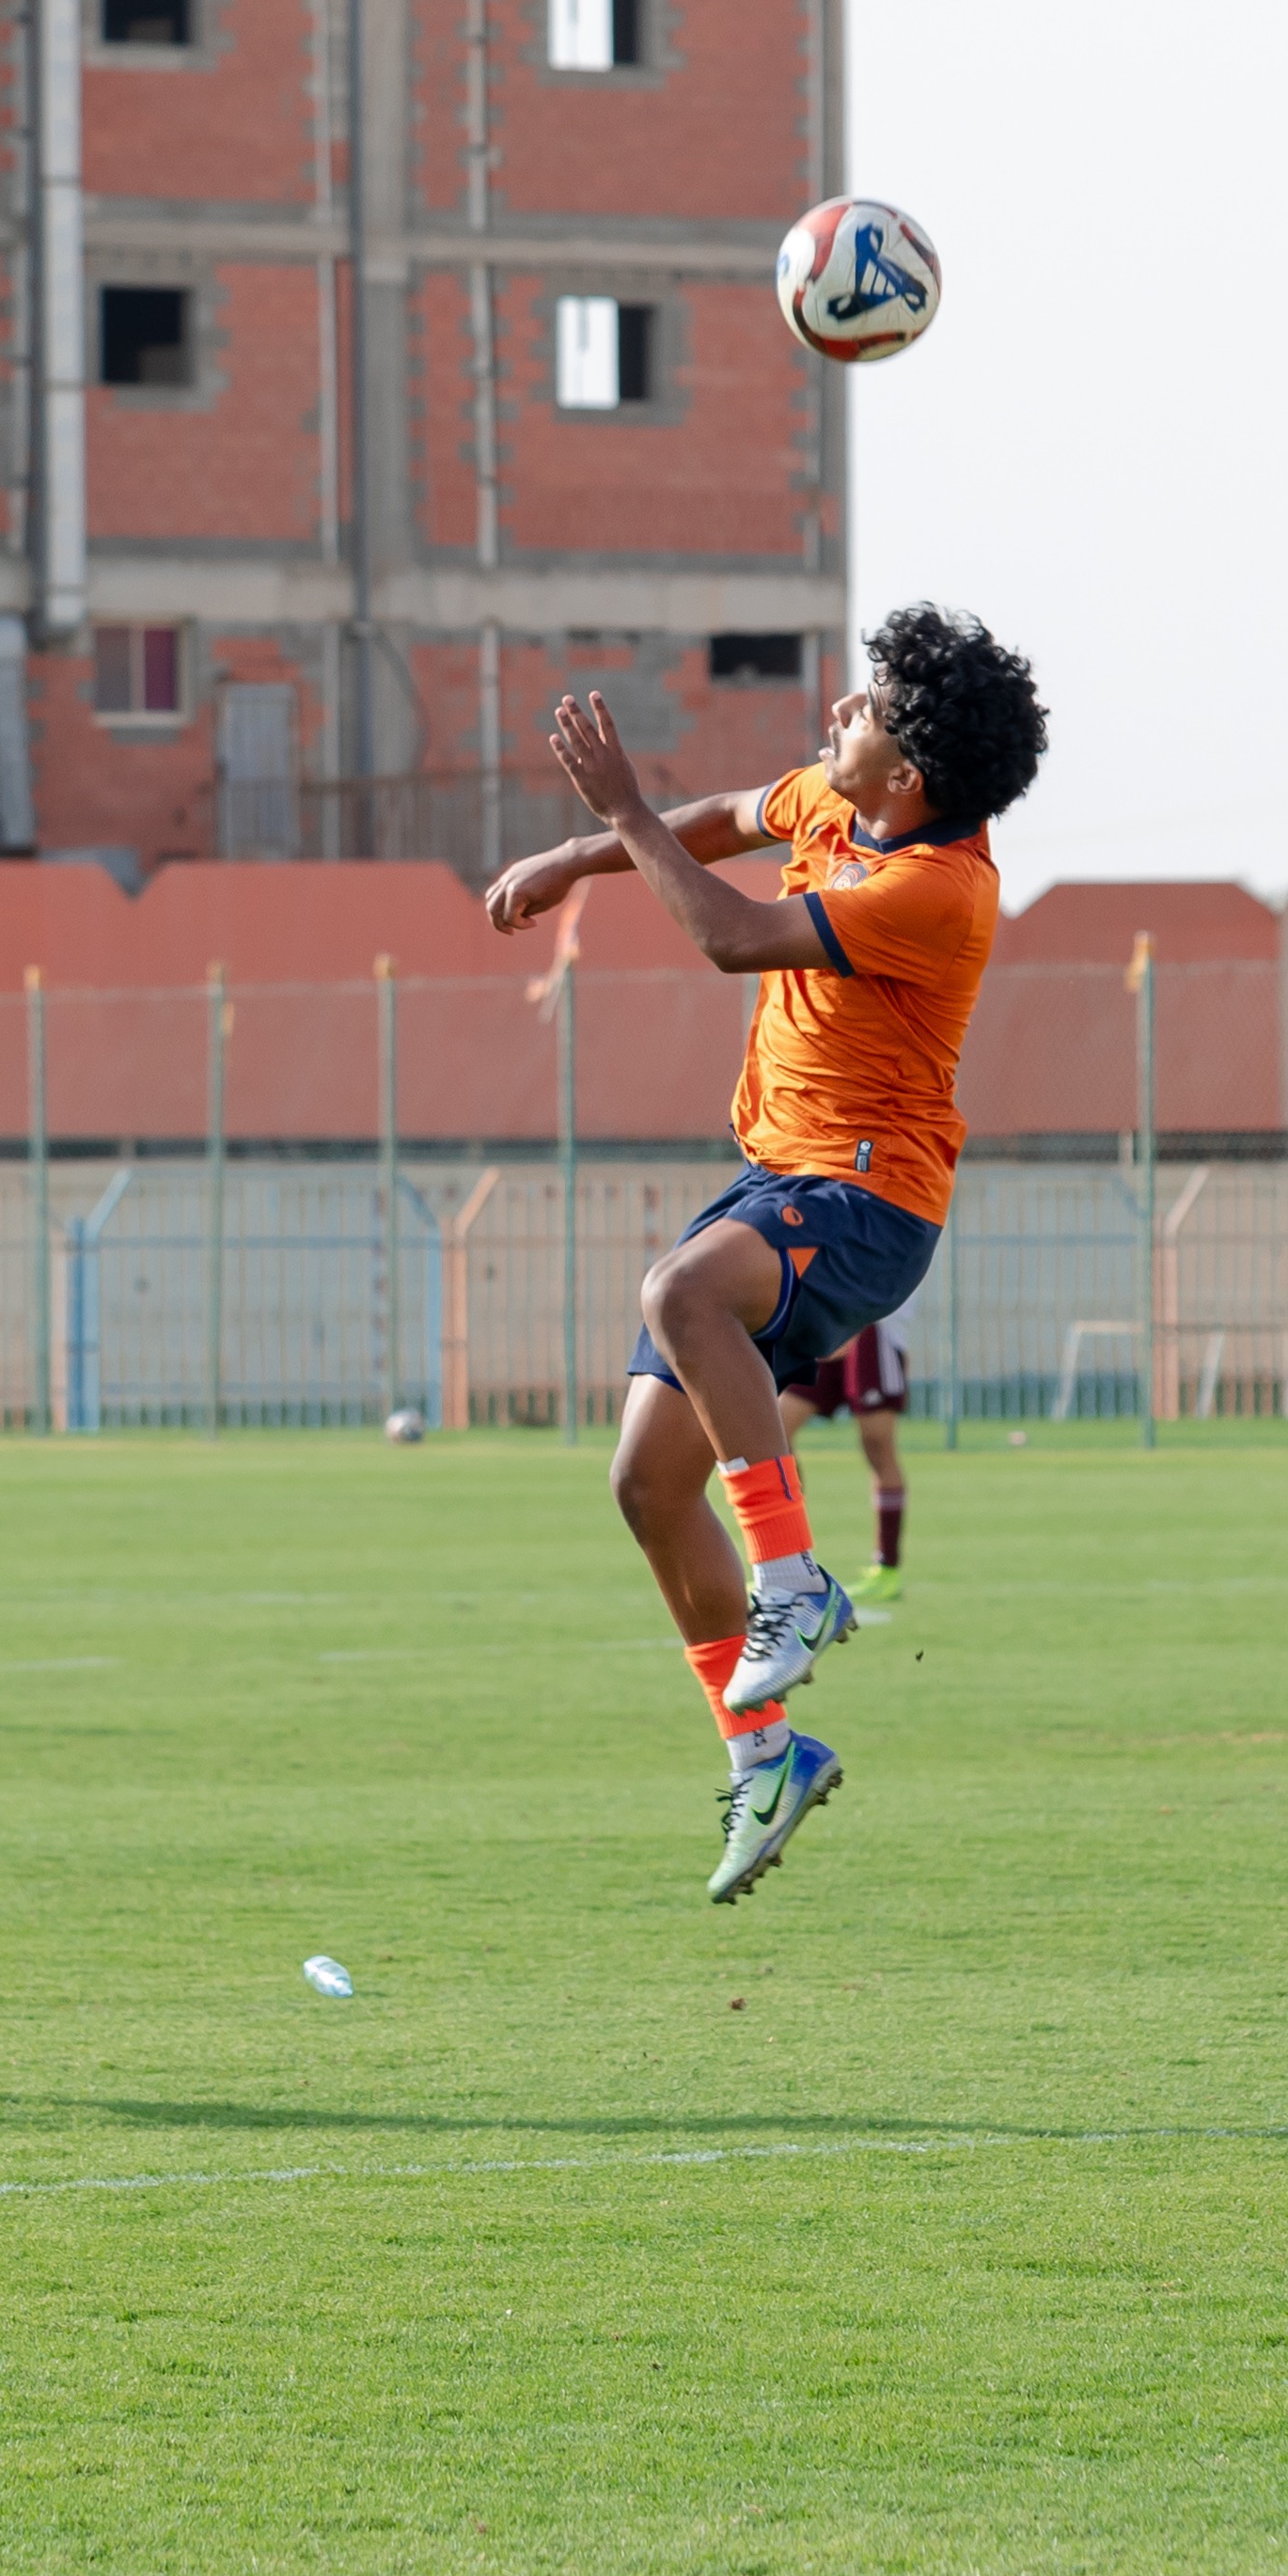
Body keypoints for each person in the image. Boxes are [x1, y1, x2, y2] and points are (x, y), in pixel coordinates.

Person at [484, 605, 1045, 1902]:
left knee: (679, 1289)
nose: (843, 708)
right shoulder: (837, 805)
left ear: (906, 773)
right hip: (777, 1176)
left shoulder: (938, 888)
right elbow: (730, 817)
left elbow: (732, 936)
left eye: (869, 705)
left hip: (869, 1196)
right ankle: (768, 1758)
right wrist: (580, 851)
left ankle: (796, 1583)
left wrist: (613, 810)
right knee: (644, 1484)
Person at [780, 1282, 917, 1619]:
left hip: (871, 1329)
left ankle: (887, 1568)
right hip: (826, 1330)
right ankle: (788, 1559)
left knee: (878, 1449)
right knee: (774, 1435)